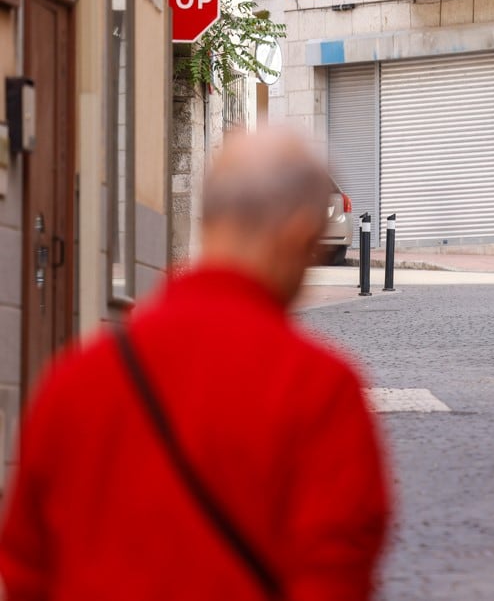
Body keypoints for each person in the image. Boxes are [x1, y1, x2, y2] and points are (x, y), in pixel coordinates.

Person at [0, 127, 391, 601]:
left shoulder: (73, 381)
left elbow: (25, 572)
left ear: (209, 223)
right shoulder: (320, 391)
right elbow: (334, 578)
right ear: (298, 235)